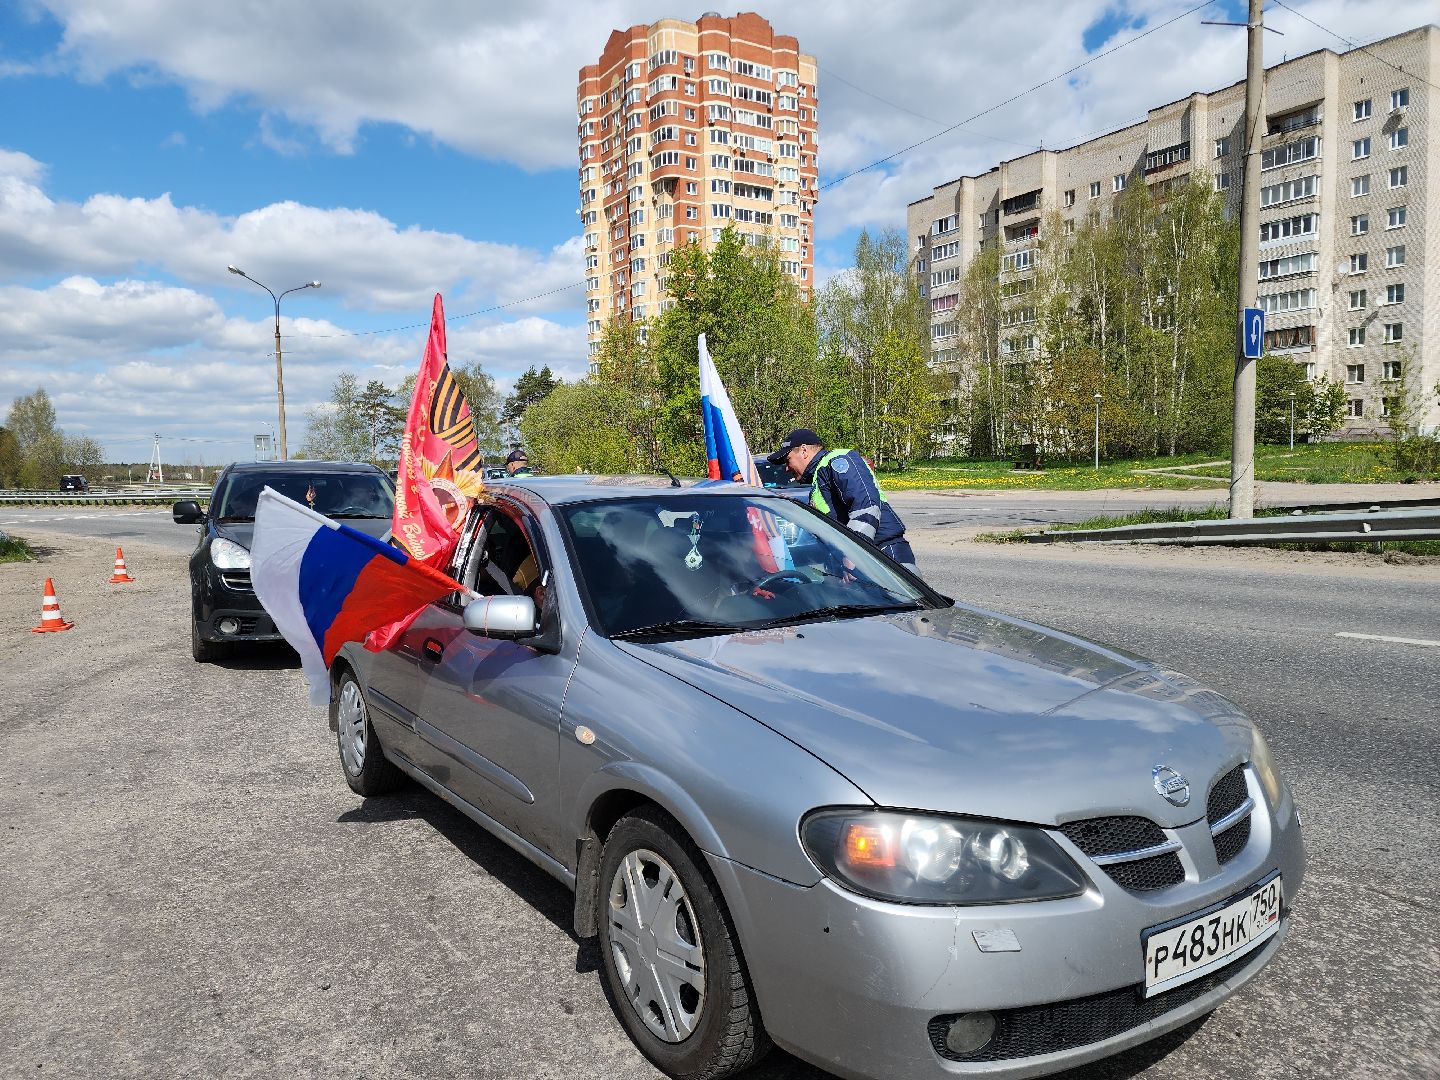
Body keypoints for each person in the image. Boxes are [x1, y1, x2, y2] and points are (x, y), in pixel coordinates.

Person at [767, 428, 918, 574]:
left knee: (906, 600)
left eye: (788, 460)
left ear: (804, 450)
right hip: (868, 559)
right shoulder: (819, 476)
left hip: (883, 556)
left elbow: (866, 505)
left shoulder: (838, 460)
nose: (787, 468)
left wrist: (853, 556)